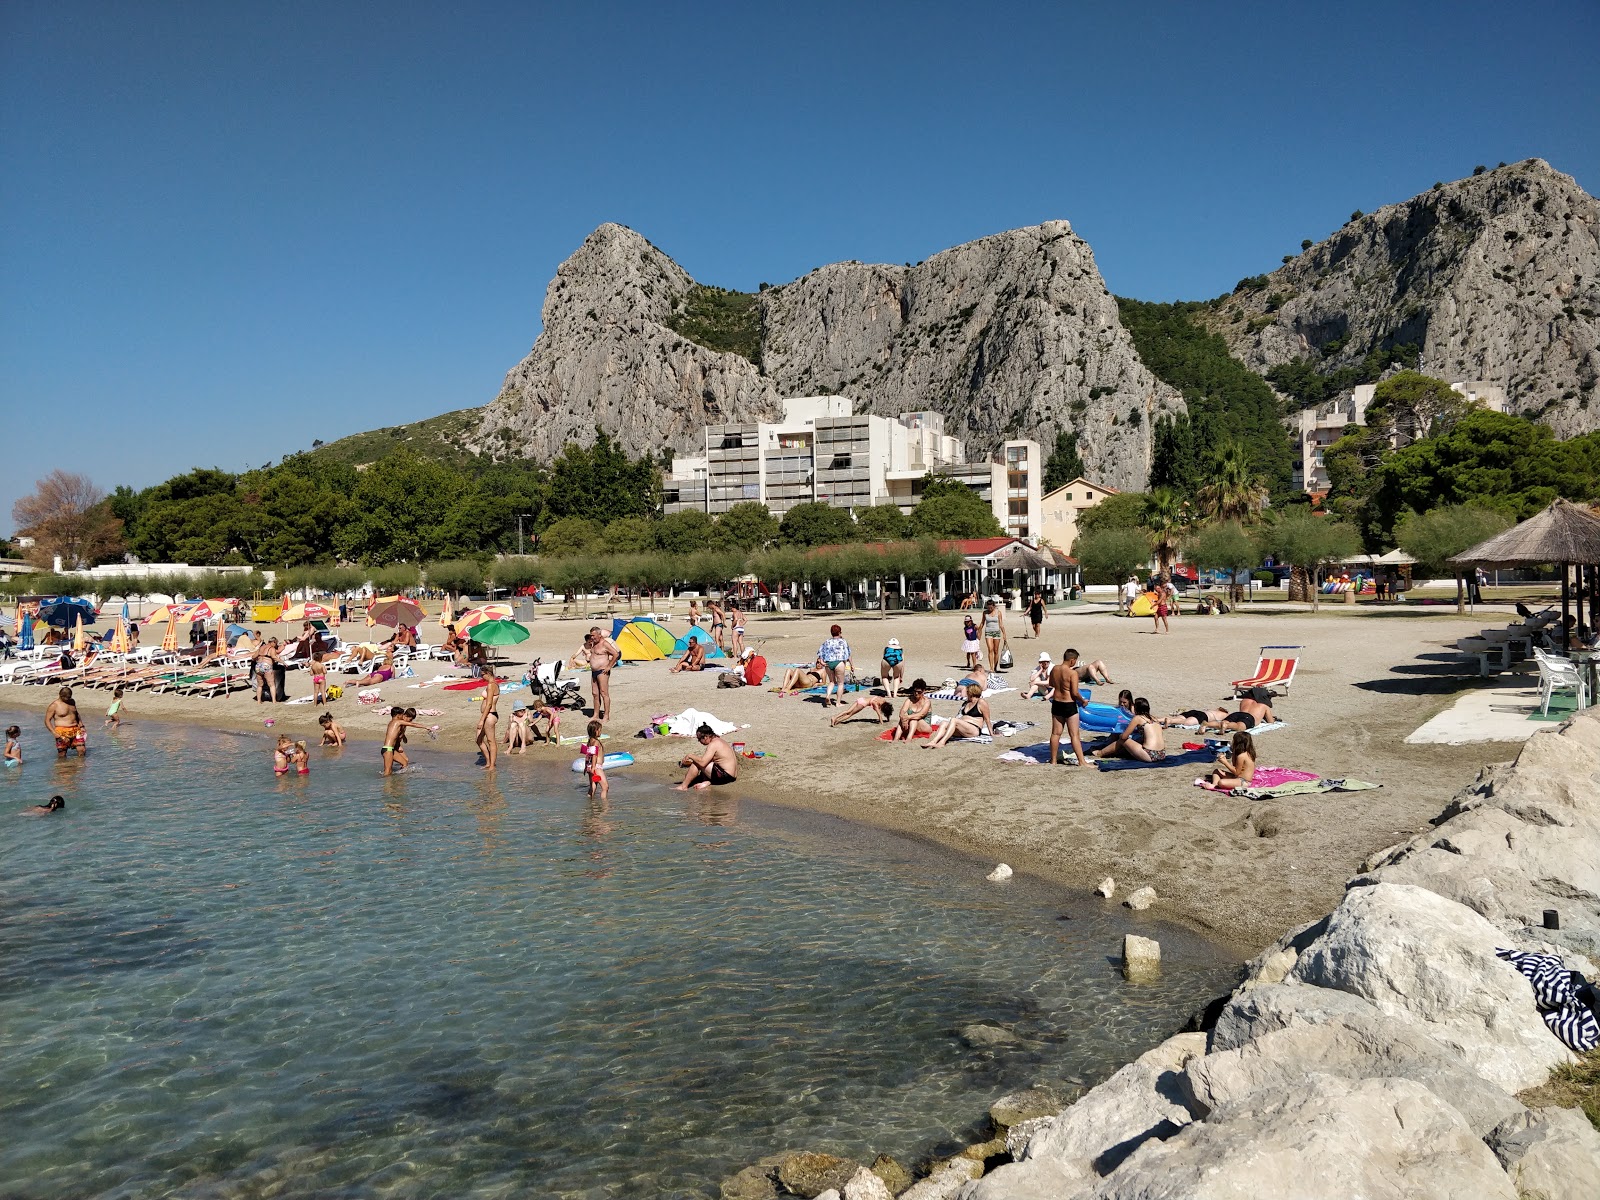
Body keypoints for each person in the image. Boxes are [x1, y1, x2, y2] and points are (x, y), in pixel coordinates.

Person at [1093, 697, 1167, 762]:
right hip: (1162, 754)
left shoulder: (1138, 718)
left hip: (1149, 755)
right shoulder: (1154, 719)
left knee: (1122, 739)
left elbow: (1124, 737)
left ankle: (1100, 753)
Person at [571, 626, 620, 721]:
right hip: (593, 671)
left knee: (604, 693)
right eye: (591, 635)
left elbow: (616, 654)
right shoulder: (593, 644)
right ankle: (596, 714)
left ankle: (606, 715)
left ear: (599, 634)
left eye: (593, 635)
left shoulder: (605, 644)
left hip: (602, 671)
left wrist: (609, 666)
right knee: (595, 693)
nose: (592, 637)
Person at [1047, 649, 1086, 767]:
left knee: (1055, 733)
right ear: (1072, 660)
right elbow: (1074, 692)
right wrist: (1083, 700)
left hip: (1057, 703)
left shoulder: (1054, 669)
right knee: (1074, 735)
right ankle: (1082, 762)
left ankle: (1053, 760)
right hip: (1069, 704)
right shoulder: (1072, 673)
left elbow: (1051, 683)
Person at [924, 682, 993, 749]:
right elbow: (959, 716)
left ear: (971, 692)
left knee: (954, 720)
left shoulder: (981, 702)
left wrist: (991, 733)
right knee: (944, 723)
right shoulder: (966, 703)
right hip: (963, 729)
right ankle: (934, 741)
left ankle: (942, 742)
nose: (966, 693)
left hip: (974, 729)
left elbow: (987, 719)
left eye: (967, 691)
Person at [675, 723, 739, 790]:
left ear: (705, 737)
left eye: (699, 739)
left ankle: (683, 786)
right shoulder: (719, 740)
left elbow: (702, 763)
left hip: (725, 777)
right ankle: (707, 782)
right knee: (703, 761)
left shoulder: (713, 744)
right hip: (733, 776)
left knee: (697, 763)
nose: (699, 741)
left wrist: (690, 755)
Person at [44, 686, 86, 757]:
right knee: (62, 753)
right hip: (62, 731)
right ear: (61, 696)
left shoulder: (72, 702)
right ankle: (63, 767)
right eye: (67, 697)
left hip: (76, 729)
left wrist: (81, 726)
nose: (68, 699)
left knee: (82, 750)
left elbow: (76, 714)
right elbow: (47, 720)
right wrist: (54, 733)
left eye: (70, 697)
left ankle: (80, 766)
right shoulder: (54, 705)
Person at [816, 624, 852, 707]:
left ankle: (828, 696)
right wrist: (852, 665)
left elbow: (820, 652)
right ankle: (838, 702)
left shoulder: (827, 641)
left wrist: (821, 661)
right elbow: (848, 654)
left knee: (831, 682)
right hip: (839, 662)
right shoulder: (843, 641)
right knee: (840, 683)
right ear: (839, 632)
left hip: (828, 663)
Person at [476, 670, 500, 770]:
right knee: (479, 740)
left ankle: (491, 766)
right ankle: (488, 762)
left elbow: (489, 704)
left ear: (488, 673)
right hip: (488, 715)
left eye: (482, 675)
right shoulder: (493, 684)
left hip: (489, 715)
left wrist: (482, 720)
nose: (481, 677)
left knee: (491, 740)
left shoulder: (491, 685)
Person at [829, 693, 896, 726]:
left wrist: (887, 718)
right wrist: (881, 723)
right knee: (850, 714)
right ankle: (838, 721)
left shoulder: (881, 699)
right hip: (863, 703)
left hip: (861, 699)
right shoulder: (876, 704)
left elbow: (886, 710)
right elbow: (879, 715)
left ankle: (835, 718)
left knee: (848, 711)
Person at [583, 718, 609, 800]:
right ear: (595, 731)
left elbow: (587, 755)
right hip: (596, 767)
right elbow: (594, 755)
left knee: (592, 787)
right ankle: (605, 808)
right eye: (599, 730)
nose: (600, 732)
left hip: (590, 766)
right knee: (605, 787)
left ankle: (590, 806)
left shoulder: (589, 741)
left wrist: (586, 766)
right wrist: (594, 767)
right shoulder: (596, 742)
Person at [980, 600, 1007, 672]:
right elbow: (982, 623)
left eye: (991, 608)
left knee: (996, 650)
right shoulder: (985, 613)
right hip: (988, 632)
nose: (990, 609)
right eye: (988, 608)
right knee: (990, 649)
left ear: (994, 606)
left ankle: (995, 667)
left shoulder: (998, 613)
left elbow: (1001, 624)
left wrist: (1004, 634)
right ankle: (991, 667)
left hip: (997, 632)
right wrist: (979, 631)